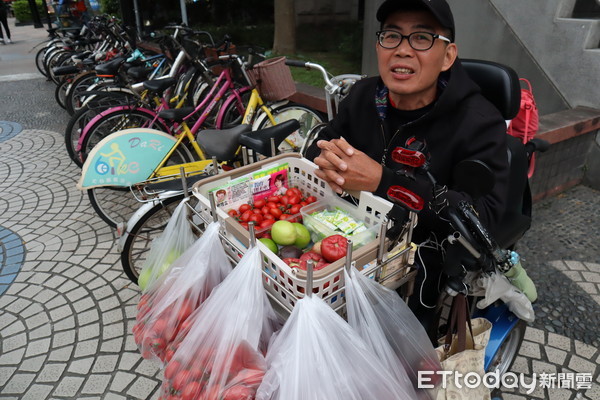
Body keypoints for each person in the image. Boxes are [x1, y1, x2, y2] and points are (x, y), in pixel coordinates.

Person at [306, 0, 509, 332]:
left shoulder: (479, 122)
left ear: (448, 55)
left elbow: (485, 221)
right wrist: (327, 158)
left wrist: (384, 182)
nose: (402, 51)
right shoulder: (362, 96)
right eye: (392, 36)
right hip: (352, 243)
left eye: (422, 38)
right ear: (379, 45)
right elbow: (323, 144)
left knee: (405, 358)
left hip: (424, 264)